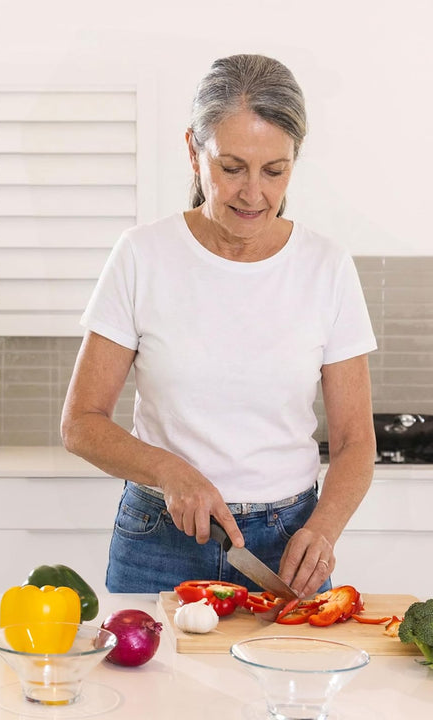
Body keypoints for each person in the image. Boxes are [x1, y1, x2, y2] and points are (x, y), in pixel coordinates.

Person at [60, 54, 376, 599]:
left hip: (288, 542)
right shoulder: (142, 256)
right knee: (148, 686)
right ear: (192, 151)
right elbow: (81, 424)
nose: (254, 194)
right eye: (231, 168)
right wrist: (166, 470)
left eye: (274, 171)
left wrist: (323, 529)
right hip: (159, 539)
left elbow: (355, 442)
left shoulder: (326, 267)